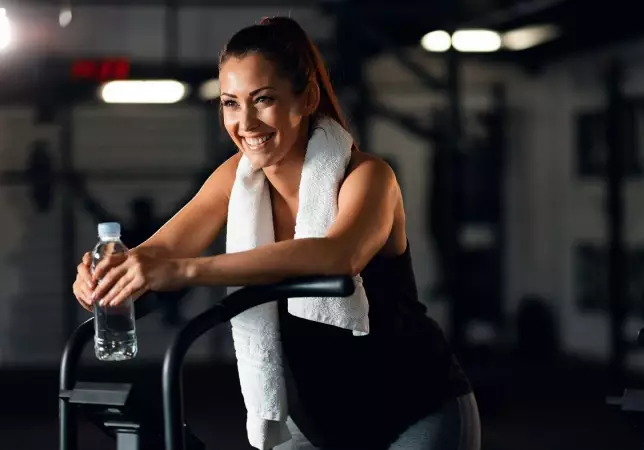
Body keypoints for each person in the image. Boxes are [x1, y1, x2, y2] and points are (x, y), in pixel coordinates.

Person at [71, 16, 479, 450]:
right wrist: (109, 270)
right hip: (315, 422)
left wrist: (184, 271)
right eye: (230, 103)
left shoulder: (367, 177)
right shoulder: (235, 178)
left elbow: (338, 256)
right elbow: (160, 251)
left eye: (263, 99)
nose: (245, 122)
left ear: (308, 98)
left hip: (413, 408)